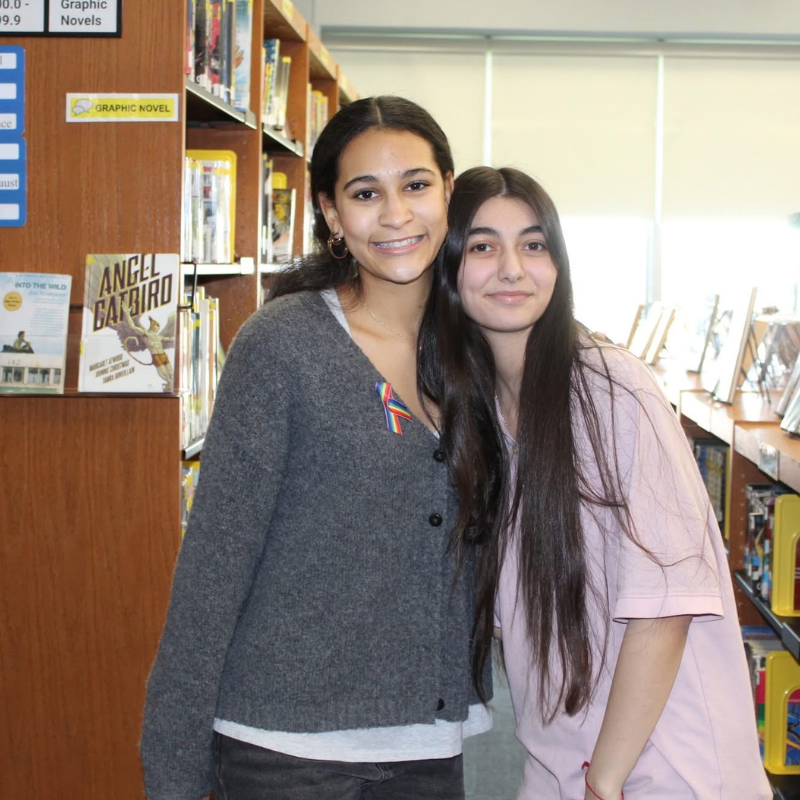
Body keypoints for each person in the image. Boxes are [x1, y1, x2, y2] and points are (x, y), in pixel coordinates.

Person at [140, 97, 492, 800]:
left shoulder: (477, 347)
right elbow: (213, 567)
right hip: (286, 750)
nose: (396, 214)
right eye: (366, 194)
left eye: (416, 185)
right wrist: (173, 772)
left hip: (430, 741)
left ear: (449, 191)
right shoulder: (282, 345)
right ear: (332, 214)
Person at [419, 166, 771, 799]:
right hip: (563, 761)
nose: (512, 268)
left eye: (534, 244)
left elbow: (666, 607)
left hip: (661, 769)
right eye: (481, 246)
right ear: (447, 267)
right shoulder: (483, 418)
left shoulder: (613, 389)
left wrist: (603, 781)